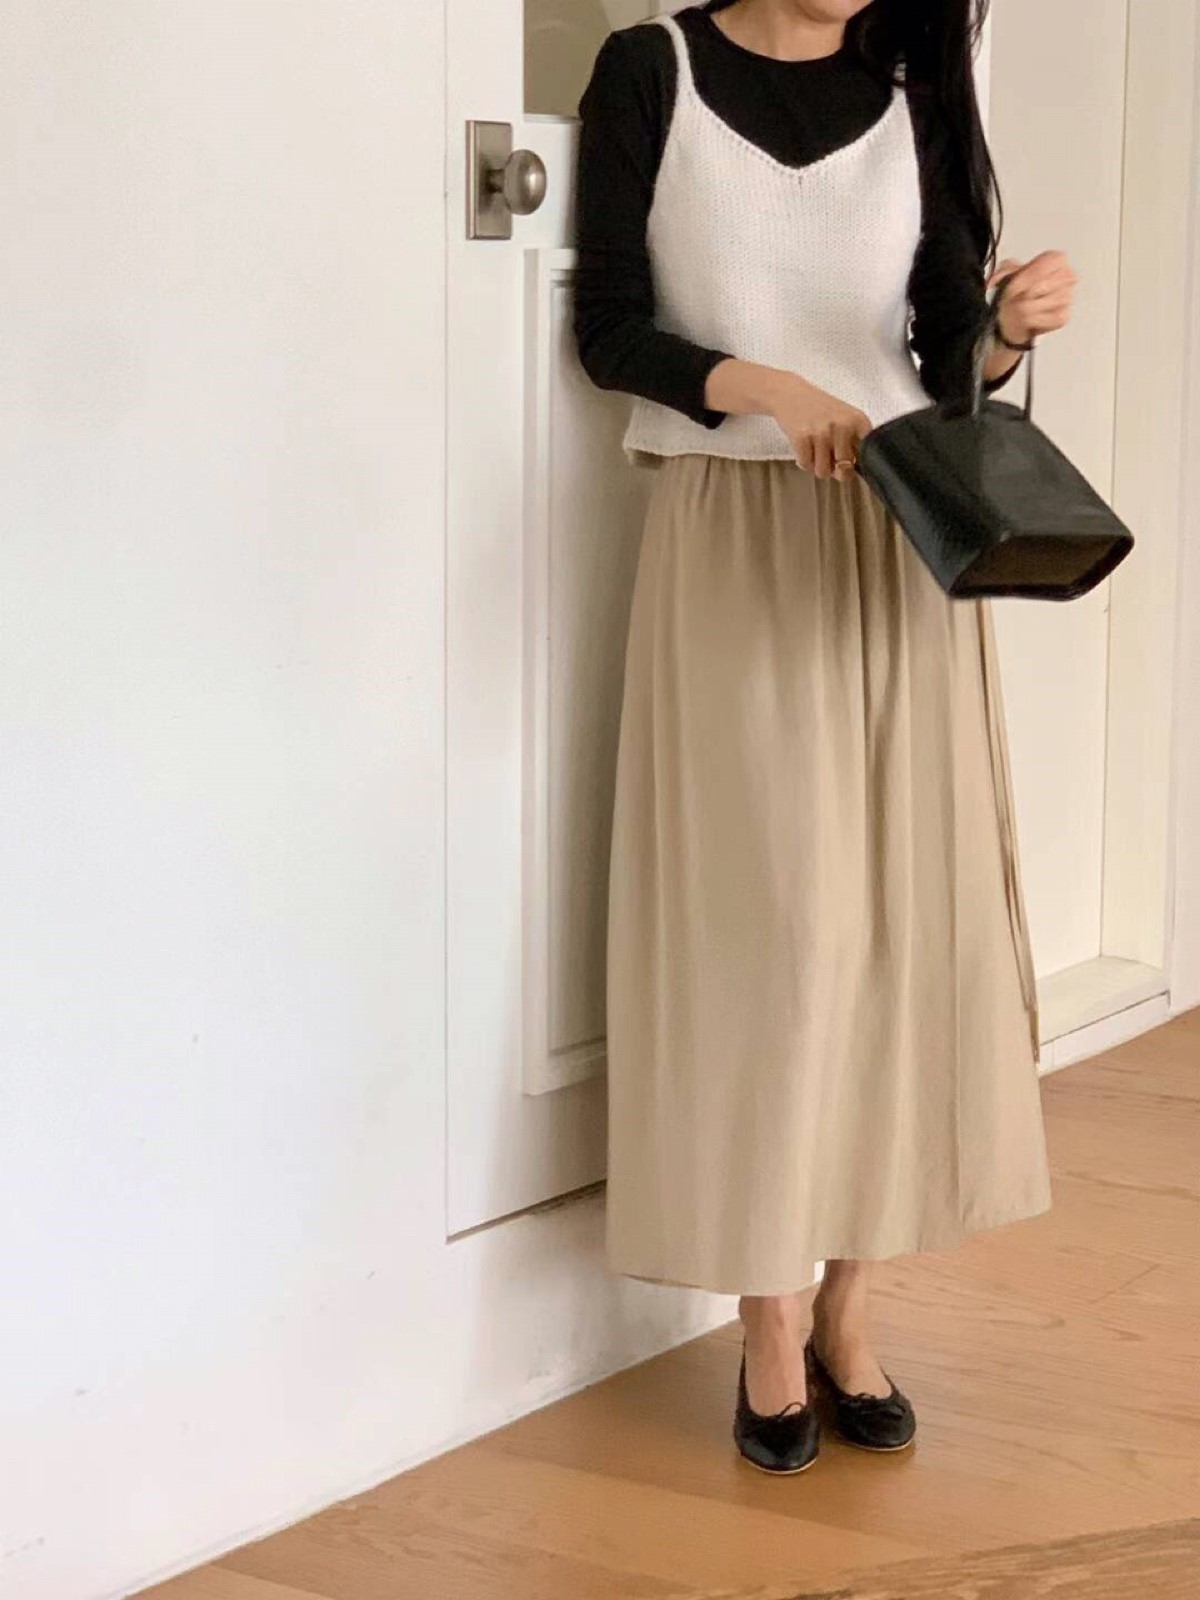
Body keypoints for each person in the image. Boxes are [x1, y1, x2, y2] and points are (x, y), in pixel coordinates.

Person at [572, 0, 1078, 1474]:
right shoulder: (653, 69)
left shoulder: (920, 76)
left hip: (903, 534)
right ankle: (769, 1320)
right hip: (734, 533)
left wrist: (1003, 331)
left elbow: (941, 340)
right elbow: (610, 329)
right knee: (774, 930)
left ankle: (854, 1309)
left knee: (903, 929)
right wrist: (761, 385)